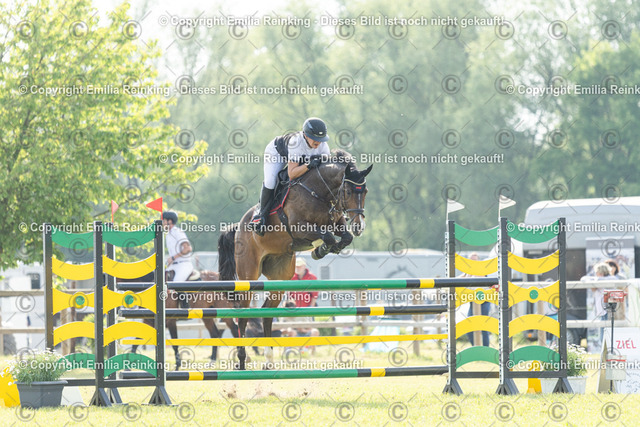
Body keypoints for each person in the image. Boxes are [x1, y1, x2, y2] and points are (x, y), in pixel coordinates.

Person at [249, 117, 331, 235]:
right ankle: (260, 216)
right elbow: (292, 174)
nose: (318, 142)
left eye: (321, 139)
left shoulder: (324, 147)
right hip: (276, 154)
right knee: (271, 181)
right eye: (314, 138)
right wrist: (308, 165)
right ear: (305, 135)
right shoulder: (295, 143)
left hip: (297, 159)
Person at [463, 252, 491, 347]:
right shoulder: (468, 271)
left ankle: (486, 348)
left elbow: (477, 279)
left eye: (475, 260)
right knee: (469, 327)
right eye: (471, 260)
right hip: (473, 303)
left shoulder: (481, 270)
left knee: (483, 326)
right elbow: (459, 280)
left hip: (484, 302)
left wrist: (469, 273)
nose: (473, 262)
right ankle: (475, 347)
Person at [162, 211, 193, 282]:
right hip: (173, 265)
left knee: (176, 283)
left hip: (183, 265)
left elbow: (188, 248)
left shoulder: (177, 232)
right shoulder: (168, 234)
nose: (162, 223)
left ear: (170, 221)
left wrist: (173, 258)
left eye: (164, 221)